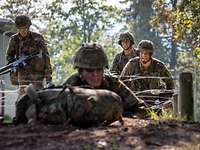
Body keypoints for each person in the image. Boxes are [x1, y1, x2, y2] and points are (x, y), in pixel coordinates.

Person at [64, 43, 145, 113]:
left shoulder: (112, 83)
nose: (95, 74)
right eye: (90, 70)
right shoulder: (71, 84)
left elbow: (138, 106)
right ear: (80, 72)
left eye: (99, 69)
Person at [6, 15, 52, 99]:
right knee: (23, 101)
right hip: (23, 78)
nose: (24, 30)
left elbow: (46, 58)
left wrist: (48, 79)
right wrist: (15, 64)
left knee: (38, 100)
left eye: (26, 28)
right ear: (18, 28)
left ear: (29, 27)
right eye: (22, 28)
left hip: (37, 77)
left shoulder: (38, 38)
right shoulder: (14, 39)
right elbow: (9, 56)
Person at [120, 40, 175, 107]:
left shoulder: (158, 65)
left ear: (150, 54)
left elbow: (170, 83)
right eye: (141, 53)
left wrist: (163, 99)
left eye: (146, 53)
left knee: (170, 105)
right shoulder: (132, 64)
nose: (143, 55)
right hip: (136, 101)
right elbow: (122, 81)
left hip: (154, 102)